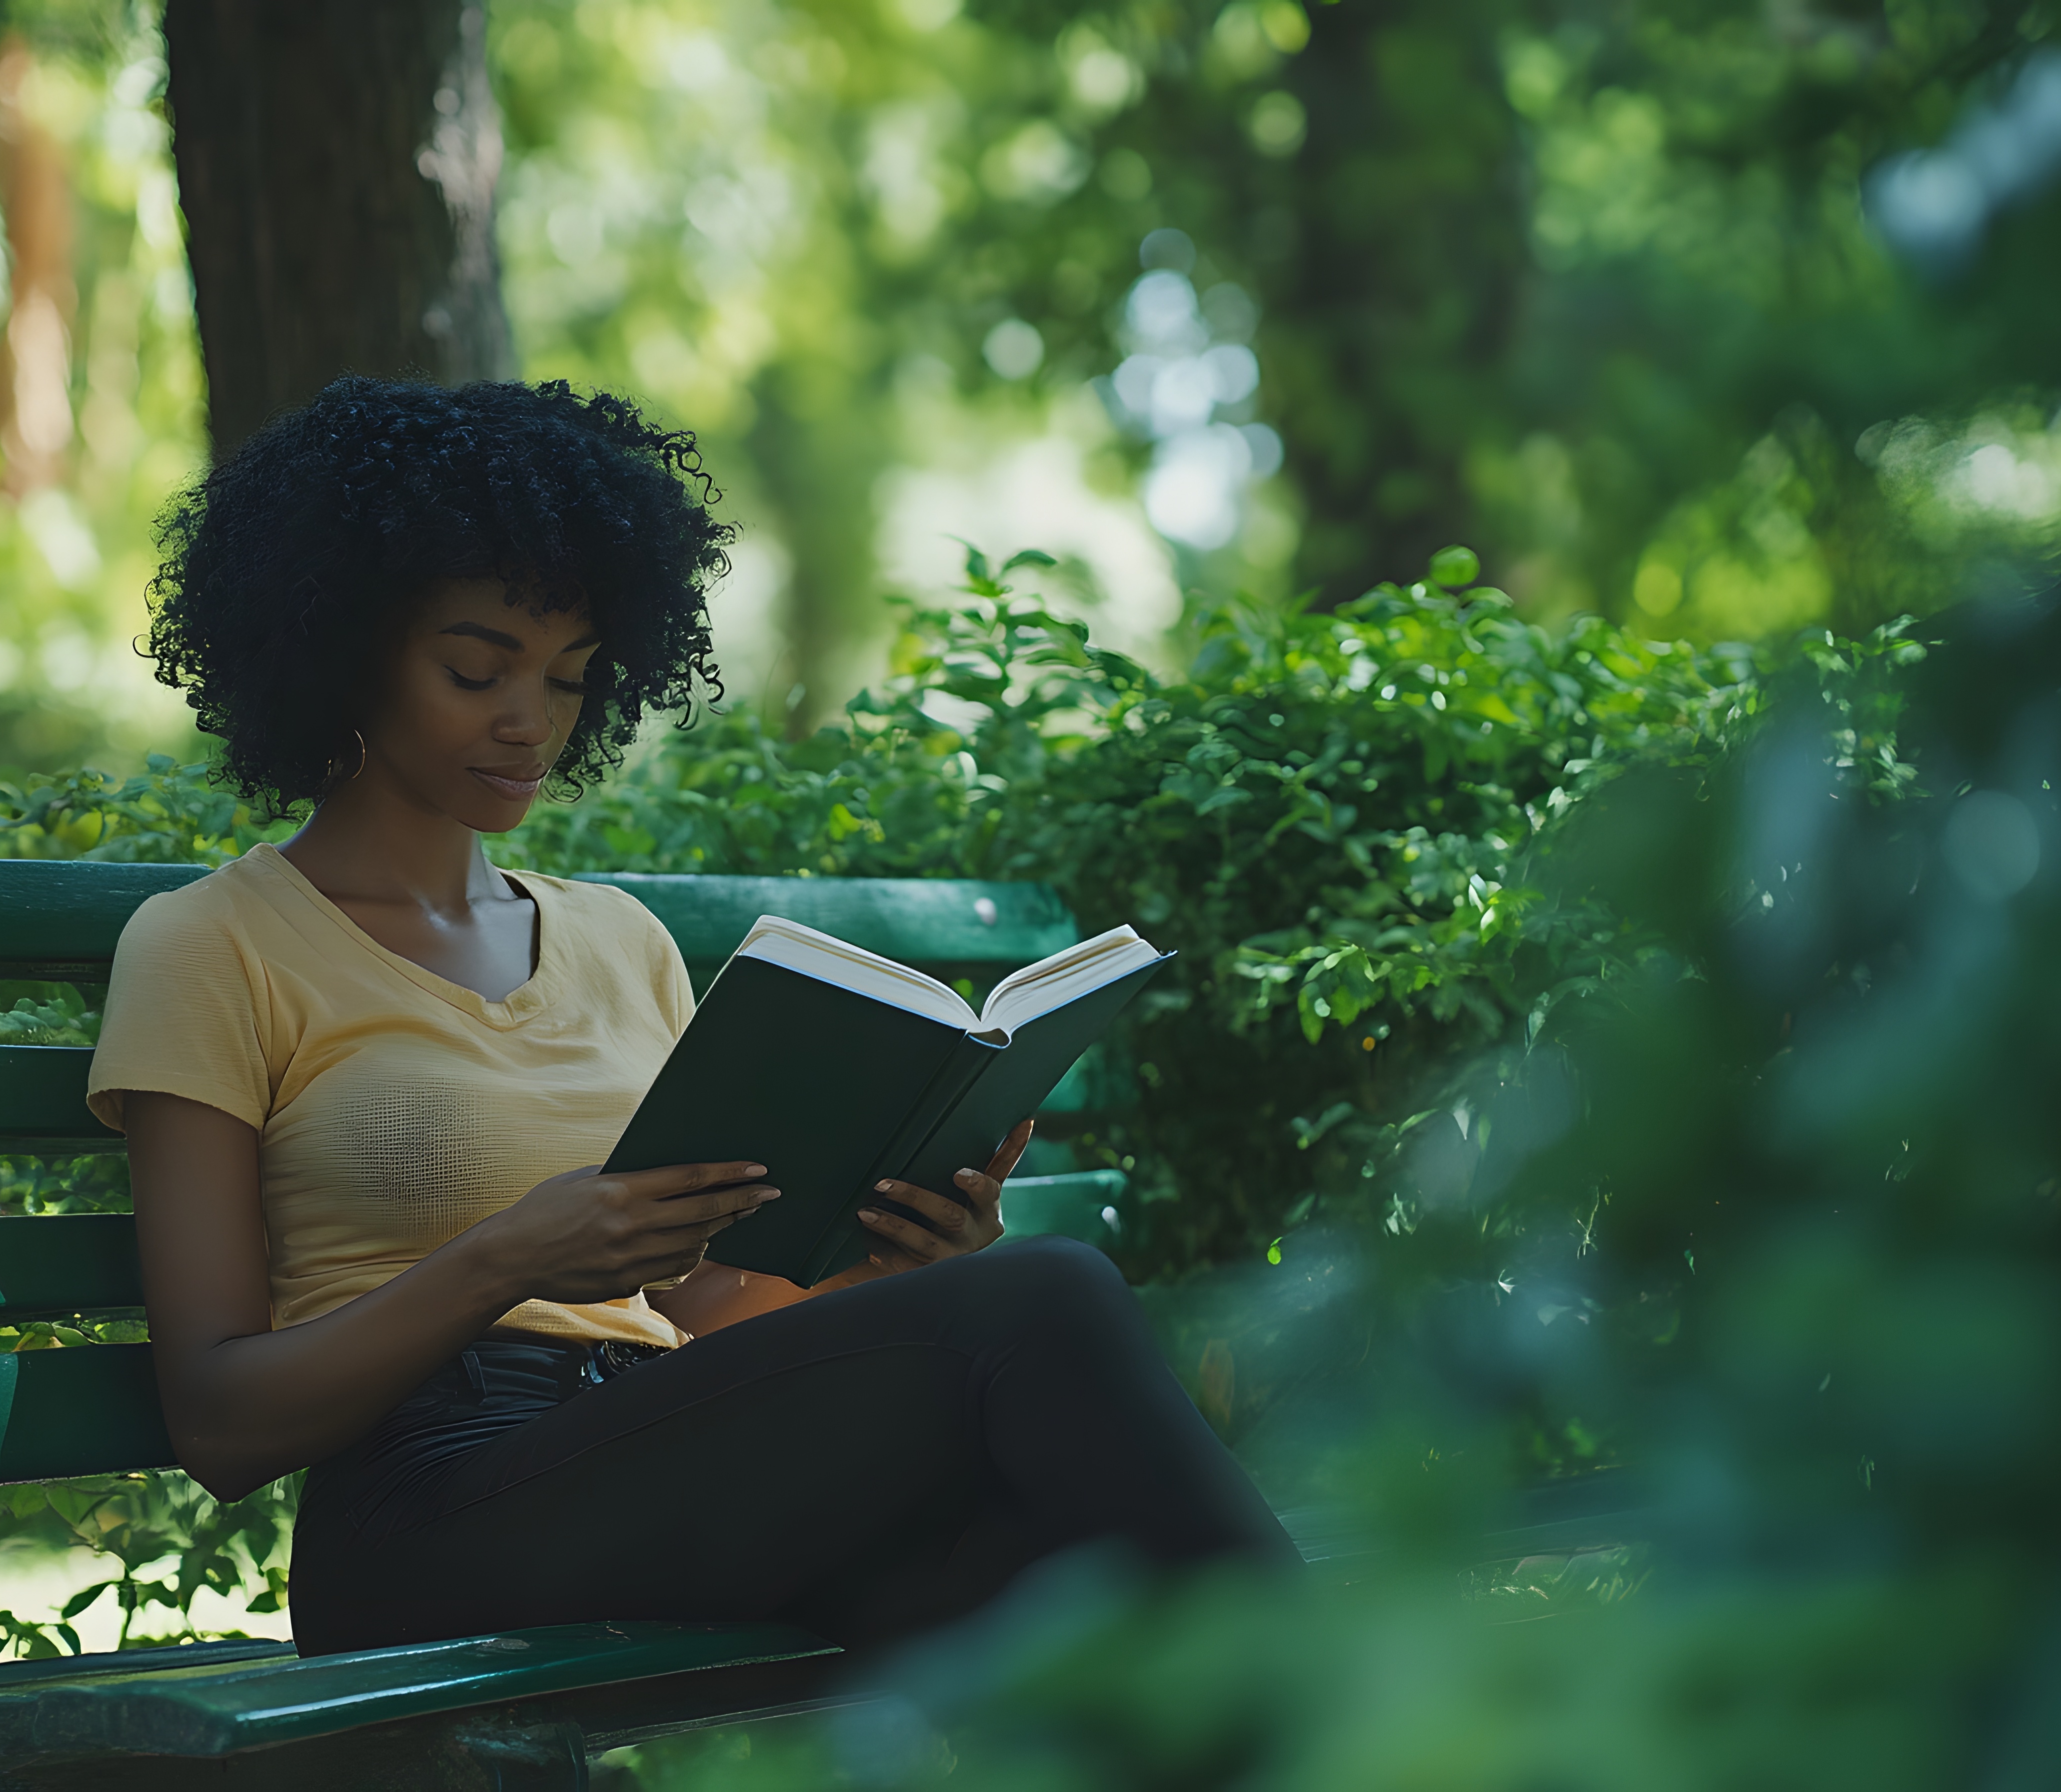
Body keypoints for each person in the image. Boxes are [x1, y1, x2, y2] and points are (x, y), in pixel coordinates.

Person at [89, 377, 1295, 1658]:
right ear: (338, 645)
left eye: (566, 679)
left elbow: (704, 1309)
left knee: (1062, 1566)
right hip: (426, 1510)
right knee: (1050, 1300)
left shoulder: (620, 942)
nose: (529, 721)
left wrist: (890, 1268)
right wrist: (508, 1259)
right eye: (473, 669)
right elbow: (219, 1420)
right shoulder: (212, 945)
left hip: (664, 1452)